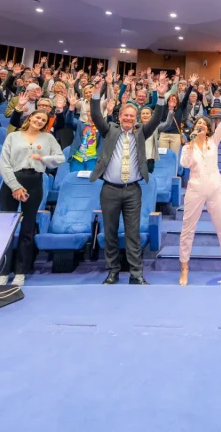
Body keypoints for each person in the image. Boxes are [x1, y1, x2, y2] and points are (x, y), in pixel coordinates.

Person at [89, 73, 168, 285]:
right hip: (110, 190)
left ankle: (136, 274)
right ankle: (113, 271)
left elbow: (157, 118)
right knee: (110, 232)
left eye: (133, 116)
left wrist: (160, 97)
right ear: (119, 117)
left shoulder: (142, 132)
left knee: (133, 233)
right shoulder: (109, 130)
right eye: (126, 115)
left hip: (133, 190)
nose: (129, 119)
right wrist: (96, 94)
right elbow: (96, 117)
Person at [0, 109, 65, 287]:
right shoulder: (13, 136)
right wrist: (15, 186)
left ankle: (20, 271)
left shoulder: (48, 138)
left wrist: (43, 158)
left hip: (35, 182)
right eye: (37, 117)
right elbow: (4, 164)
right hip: (12, 182)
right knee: (7, 229)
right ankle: (3, 272)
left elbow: (60, 158)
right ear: (30, 118)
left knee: (27, 229)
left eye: (43, 119)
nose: (40, 121)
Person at [178, 105, 221, 287]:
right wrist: (189, 146)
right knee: (187, 229)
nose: (201, 125)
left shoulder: (213, 142)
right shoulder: (187, 146)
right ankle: (184, 269)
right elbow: (185, 164)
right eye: (198, 123)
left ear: (208, 128)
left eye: (204, 124)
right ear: (195, 128)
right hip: (195, 189)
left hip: (214, 188)